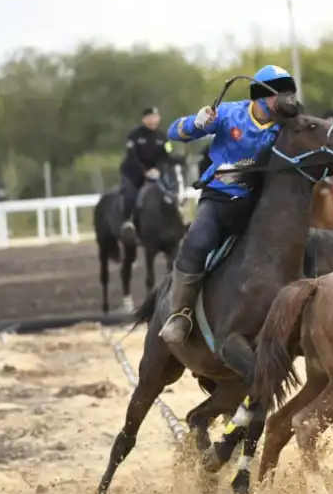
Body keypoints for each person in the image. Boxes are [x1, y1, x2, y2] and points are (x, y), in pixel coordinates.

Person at [159, 64, 300, 344]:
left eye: (290, 93)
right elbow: (174, 132)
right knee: (196, 243)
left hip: (263, 204)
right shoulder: (227, 114)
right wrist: (196, 124)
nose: (288, 99)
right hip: (220, 198)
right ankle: (181, 314)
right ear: (261, 96)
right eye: (280, 93)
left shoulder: (289, 126)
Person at [118, 107, 170, 241]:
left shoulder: (164, 137)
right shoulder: (134, 136)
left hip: (156, 174)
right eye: (150, 117)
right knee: (130, 195)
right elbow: (132, 156)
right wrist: (145, 171)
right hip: (134, 174)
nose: (153, 120)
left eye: (155, 117)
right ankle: (128, 221)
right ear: (144, 119)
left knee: (170, 192)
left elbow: (166, 156)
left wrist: (158, 169)